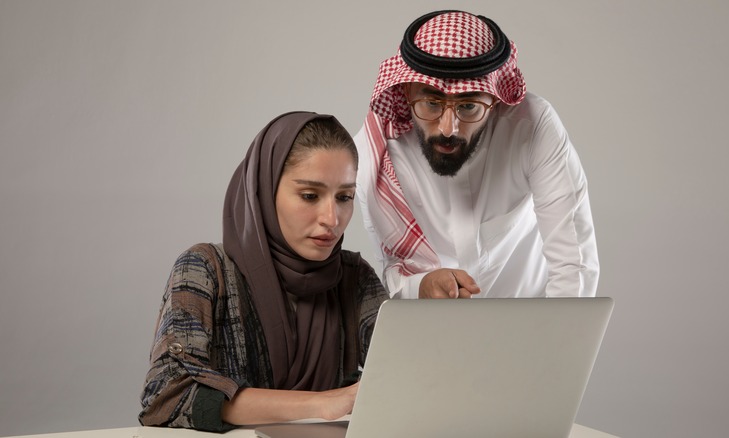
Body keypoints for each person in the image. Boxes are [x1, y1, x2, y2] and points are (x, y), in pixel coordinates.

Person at [139, 112, 389, 431]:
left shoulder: (354, 278)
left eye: (344, 197)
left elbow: (401, 370)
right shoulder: (205, 270)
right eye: (310, 195)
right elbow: (165, 396)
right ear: (263, 192)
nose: (332, 218)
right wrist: (323, 403)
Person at [355, 10, 599, 300]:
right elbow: (392, 272)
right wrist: (420, 285)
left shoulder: (533, 127)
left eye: (468, 106)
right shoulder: (377, 154)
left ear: (495, 99)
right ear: (406, 92)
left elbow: (574, 264)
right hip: (432, 332)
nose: (447, 129)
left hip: (531, 326)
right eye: (431, 103)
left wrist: (561, 341)